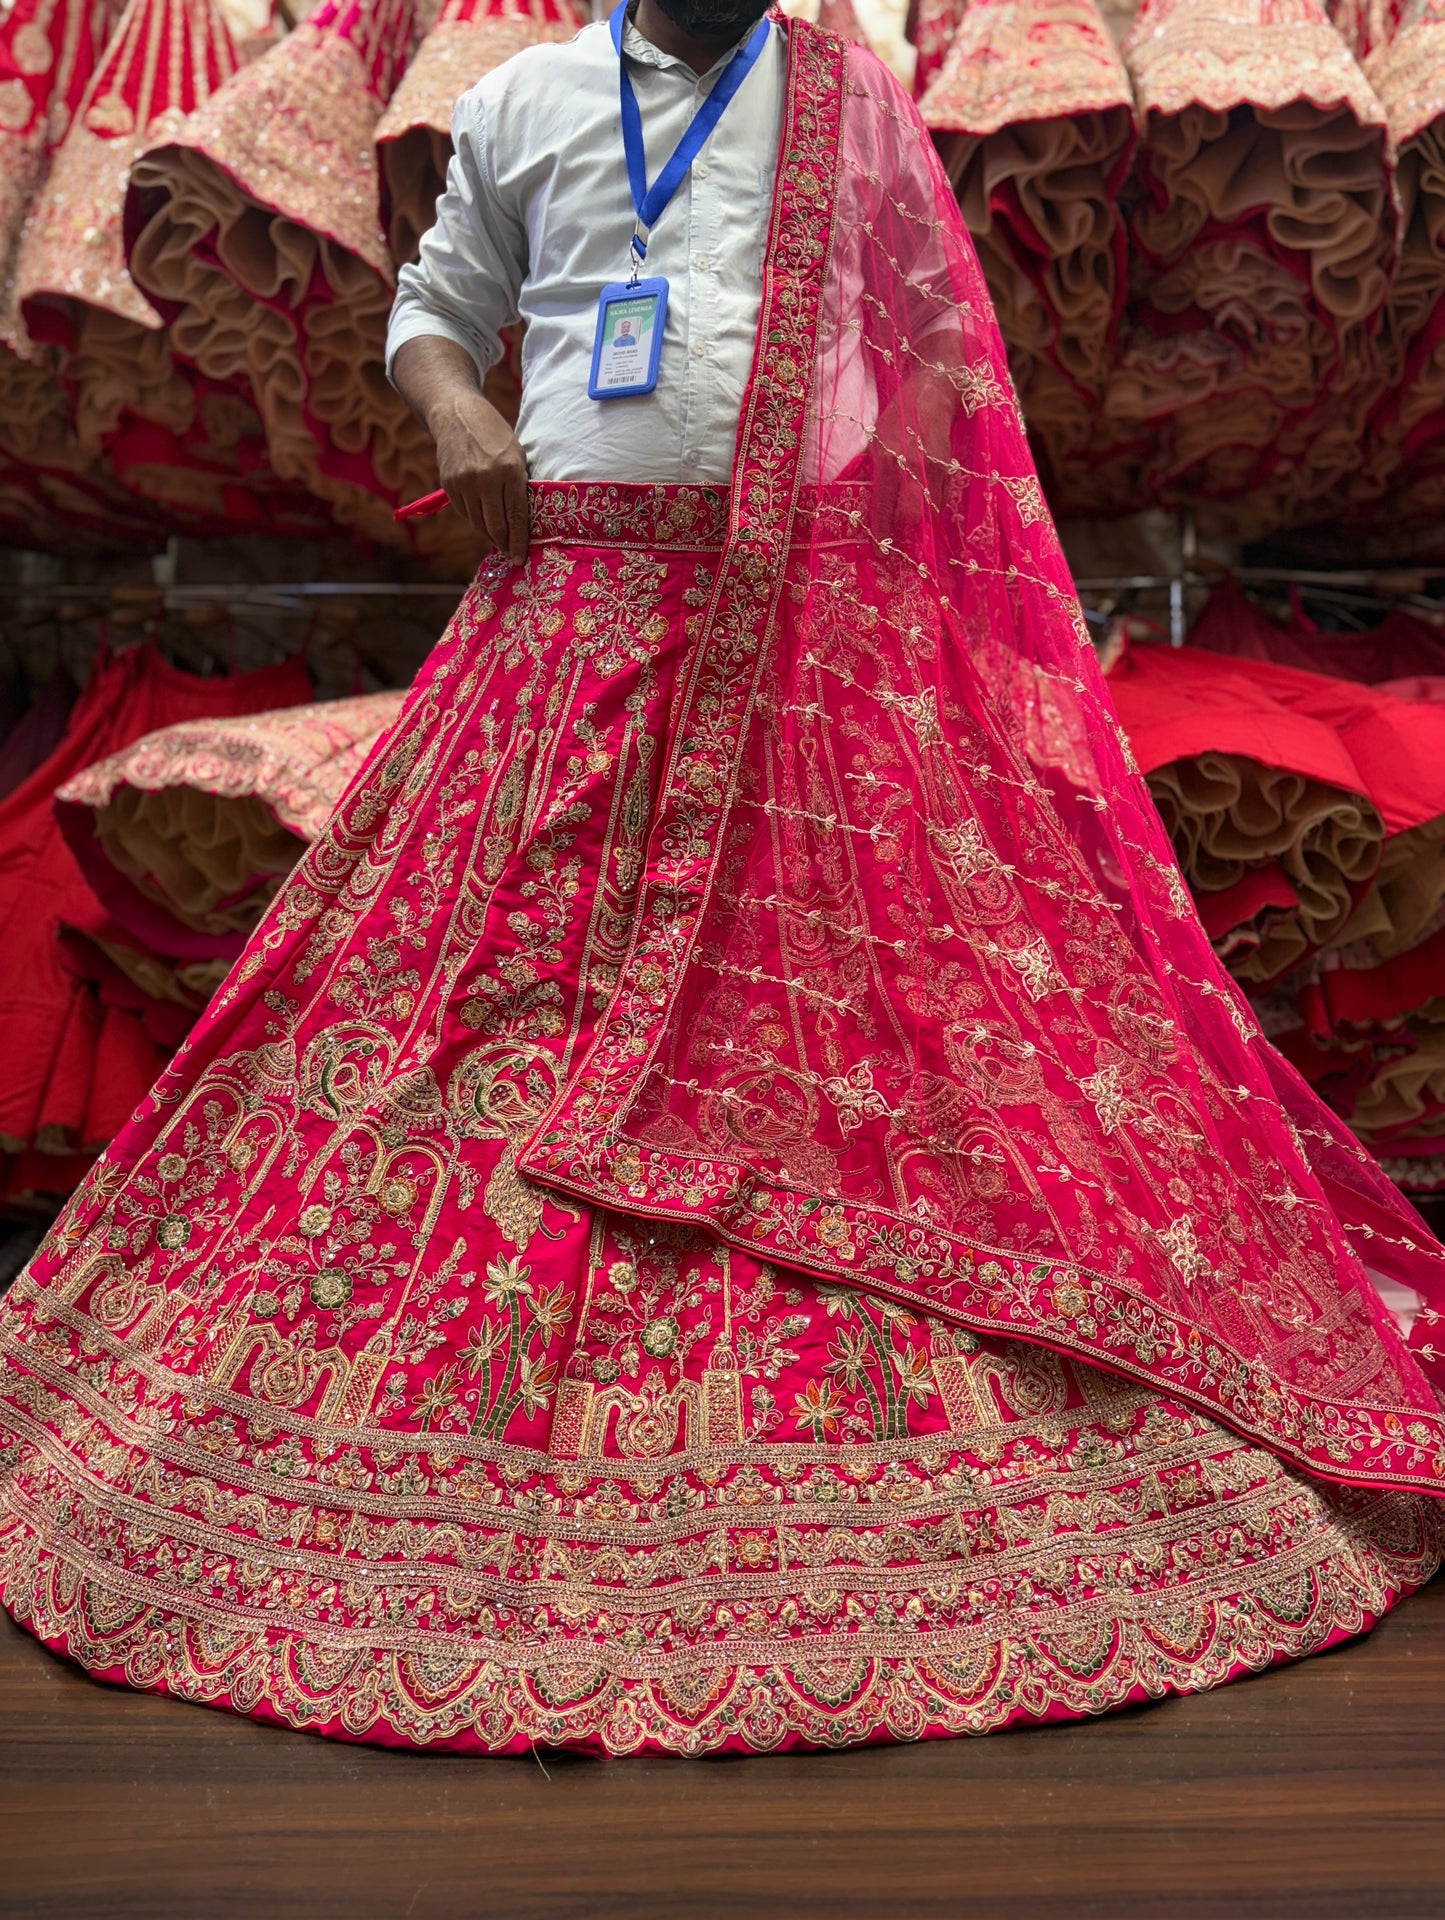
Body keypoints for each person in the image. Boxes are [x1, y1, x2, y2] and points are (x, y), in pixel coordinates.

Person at [1, 0, 1443, 1760]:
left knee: (870, 1038)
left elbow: (930, 369)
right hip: (561, 628)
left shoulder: (852, 100)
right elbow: (432, 311)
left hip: (793, 649)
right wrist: (455, 408)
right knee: (442, 1011)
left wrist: (854, 562)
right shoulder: (526, 97)